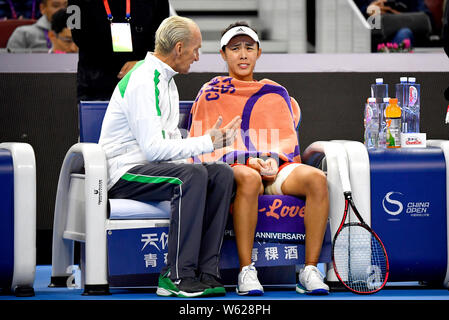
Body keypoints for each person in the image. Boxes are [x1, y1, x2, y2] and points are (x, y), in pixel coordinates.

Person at [98, 16, 241, 298]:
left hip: (153, 168)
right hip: (123, 172)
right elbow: (153, 149)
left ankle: (207, 272)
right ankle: (176, 276)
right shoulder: (143, 79)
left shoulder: (167, 81)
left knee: (222, 174)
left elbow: (167, 143)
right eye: (195, 49)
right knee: (191, 176)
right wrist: (205, 142)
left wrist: (208, 145)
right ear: (178, 48)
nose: (197, 57)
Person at [189, 22, 330, 295]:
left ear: (258, 52)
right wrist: (246, 161)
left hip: (275, 167)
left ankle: (310, 269)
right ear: (223, 54)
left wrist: (272, 161)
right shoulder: (211, 92)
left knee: (316, 179)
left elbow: (286, 143)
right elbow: (206, 147)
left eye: (248, 48)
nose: (242, 55)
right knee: (249, 178)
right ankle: (246, 270)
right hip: (234, 169)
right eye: (235, 48)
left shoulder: (275, 92)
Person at [68, 0, 170, 101]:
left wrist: (143, 63)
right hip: (94, 84)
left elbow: (163, 39)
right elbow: (78, 36)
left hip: (144, 84)